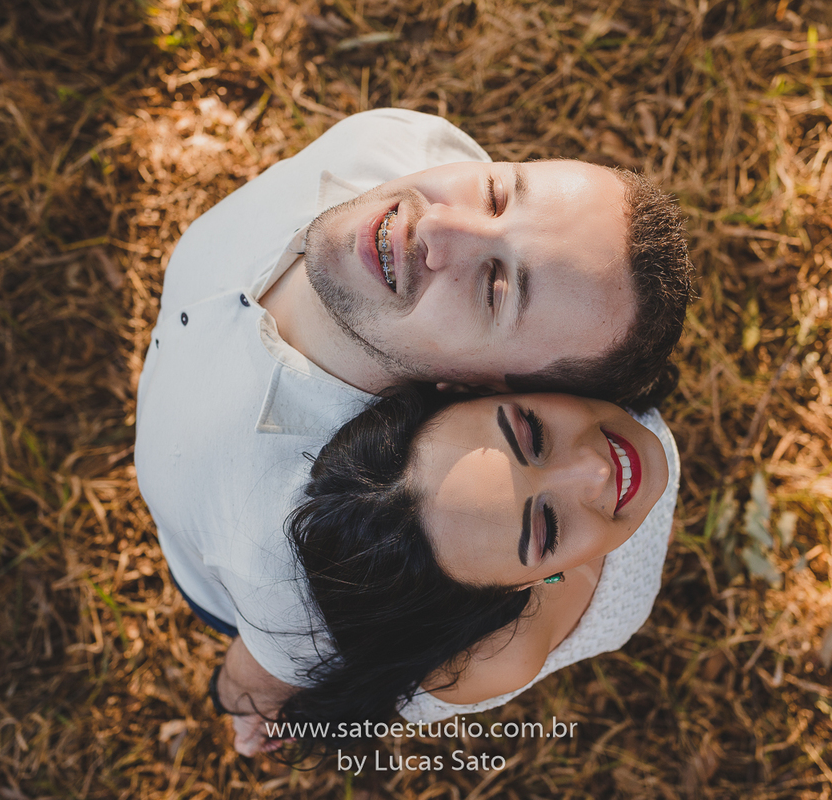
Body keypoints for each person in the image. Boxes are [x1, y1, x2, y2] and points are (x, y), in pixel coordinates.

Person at [133, 108, 692, 752]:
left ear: (478, 390)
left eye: (493, 290)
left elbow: (260, 680)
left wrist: (242, 700)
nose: (436, 223)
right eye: (497, 192)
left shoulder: (299, 569)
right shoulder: (403, 144)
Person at [277, 384, 678, 754]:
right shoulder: (503, 658)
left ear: (473, 384)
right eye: (548, 529)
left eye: (534, 434)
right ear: (522, 586)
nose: (597, 469)